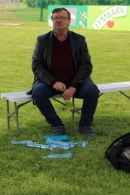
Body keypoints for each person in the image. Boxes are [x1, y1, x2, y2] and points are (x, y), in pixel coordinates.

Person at [30, 7, 99, 137]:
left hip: (75, 82)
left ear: (69, 21)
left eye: (62, 18)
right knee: (38, 92)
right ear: (52, 21)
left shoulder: (79, 39)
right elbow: (36, 65)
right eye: (55, 18)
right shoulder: (42, 40)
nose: (58, 21)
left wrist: (74, 86)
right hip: (51, 82)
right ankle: (57, 125)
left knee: (92, 90)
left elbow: (86, 65)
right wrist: (53, 82)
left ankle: (85, 126)